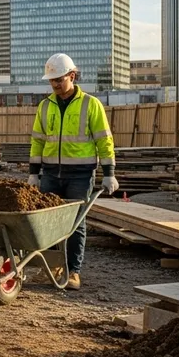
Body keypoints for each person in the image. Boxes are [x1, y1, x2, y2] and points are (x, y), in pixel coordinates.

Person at [28, 53, 117, 291]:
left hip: (80, 174)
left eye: (59, 79)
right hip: (50, 173)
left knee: (75, 223)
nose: (55, 84)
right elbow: (37, 141)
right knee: (46, 222)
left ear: (72, 76)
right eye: (52, 80)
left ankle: (73, 271)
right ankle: (51, 267)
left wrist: (109, 173)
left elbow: (104, 141)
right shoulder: (45, 106)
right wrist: (33, 173)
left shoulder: (91, 104)